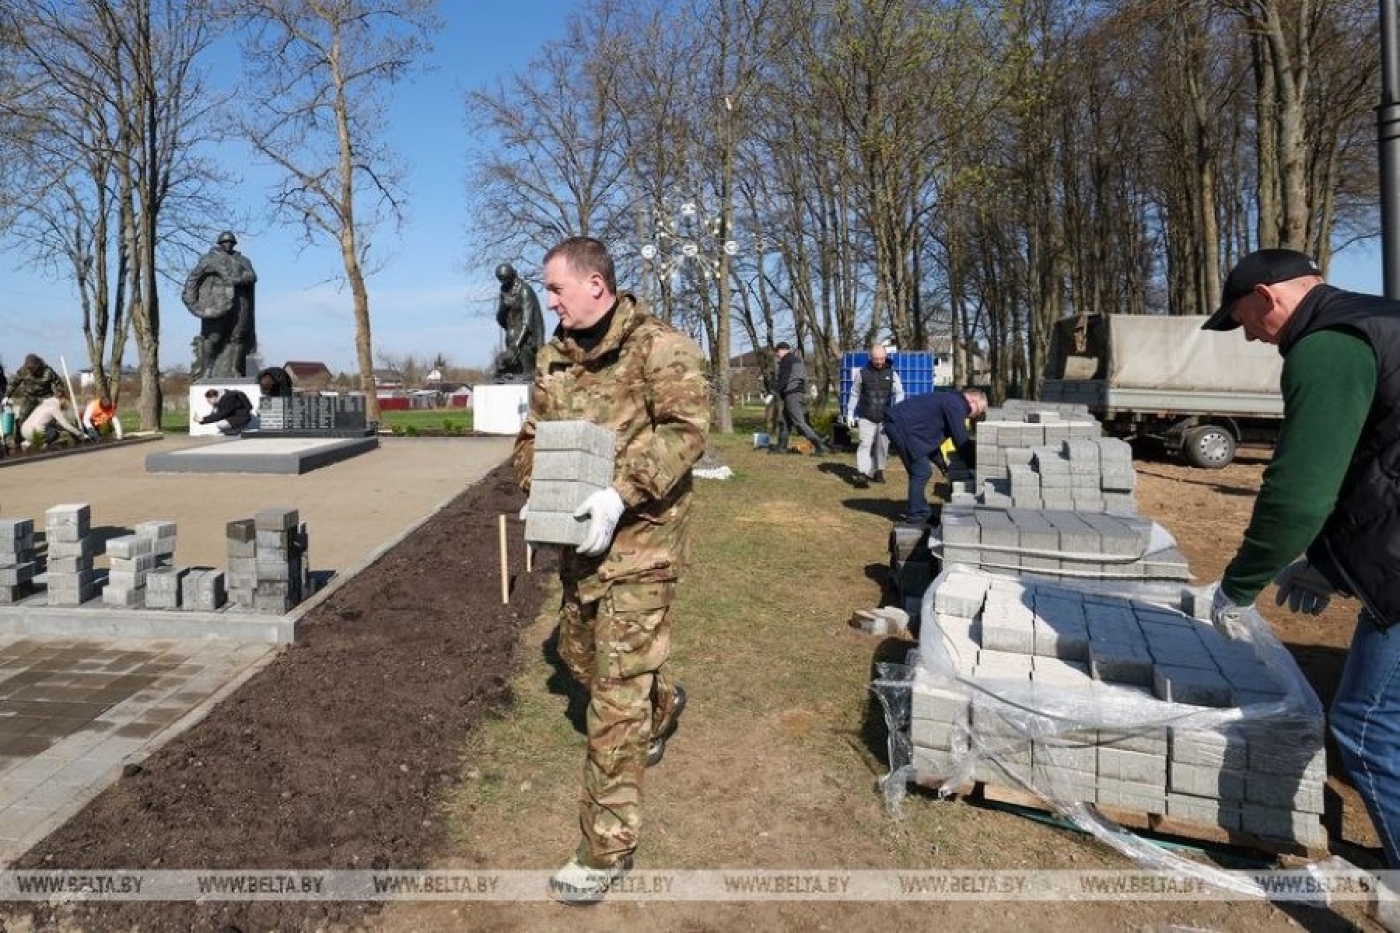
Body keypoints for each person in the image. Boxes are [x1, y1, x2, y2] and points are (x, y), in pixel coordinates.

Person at [511, 236, 709, 904]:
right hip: (580, 548)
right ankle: (664, 702)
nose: (549, 299)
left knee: (614, 703)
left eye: (556, 287)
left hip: (643, 545)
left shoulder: (661, 347)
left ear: (596, 285)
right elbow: (532, 436)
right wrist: (541, 491)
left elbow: (686, 430)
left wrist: (621, 491)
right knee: (577, 654)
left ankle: (604, 849)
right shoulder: (553, 357)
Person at [1203, 247, 1400, 874]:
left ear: (1267, 296)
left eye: (1244, 321)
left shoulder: (1328, 345)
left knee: (1366, 730)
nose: (1254, 338)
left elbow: (1300, 491)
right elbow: (1377, 462)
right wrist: (1327, 563)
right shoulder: (1380, 320)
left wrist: (1240, 584)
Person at [882, 387, 987, 525]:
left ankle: (922, 512)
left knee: (920, 471)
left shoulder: (951, 401)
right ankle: (917, 516)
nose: (974, 416)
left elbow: (930, 441)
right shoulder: (955, 405)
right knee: (921, 471)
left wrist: (943, 466)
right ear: (973, 400)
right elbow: (961, 441)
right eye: (978, 411)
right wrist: (975, 466)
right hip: (900, 426)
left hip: (905, 427)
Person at [183, 230, 257, 380]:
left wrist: (240, 278)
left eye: (231, 242)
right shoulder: (209, 259)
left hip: (240, 303)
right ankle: (208, 368)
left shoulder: (243, 260)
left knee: (237, 336)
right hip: (217, 303)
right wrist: (194, 303)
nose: (228, 245)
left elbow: (252, 276)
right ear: (220, 244)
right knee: (214, 337)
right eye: (225, 242)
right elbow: (194, 279)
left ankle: (234, 369)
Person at [844, 344, 905, 488]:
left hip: (885, 417)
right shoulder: (862, 373)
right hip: (866, 416)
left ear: (885, 357)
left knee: (882, 446)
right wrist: (850, 413)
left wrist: (896, 410)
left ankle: (879, 471)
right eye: (876, 359)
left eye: (882, 358)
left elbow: (900, 393)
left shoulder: (892, 373)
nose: (879, 361)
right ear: (870, 358)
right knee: (865, 444)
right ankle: (863, 474)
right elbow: (854, 393)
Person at [769, 341, 829, 456]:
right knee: (785, 421)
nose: (777, 355)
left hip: (792, 395)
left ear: (782, 350)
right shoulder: (796, 360)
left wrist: (774, 390)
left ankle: (820, 446)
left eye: (777, 352)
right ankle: (781, 447)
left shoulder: (786, 360)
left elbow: (784, 379)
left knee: (799, 422)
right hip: (795, 393)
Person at [493, 262, 546, 381]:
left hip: (525, 338)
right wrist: (503, 307)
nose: (503, 282)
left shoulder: (525, 290)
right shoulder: (504, 290)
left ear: (512, 275)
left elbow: (528, 321)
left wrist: (517, 345)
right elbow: (500, 319)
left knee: (524, 375)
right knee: (509, 371)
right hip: (510, 336)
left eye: (505, 278)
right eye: (500, 279)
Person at [9, 354, 65, 426]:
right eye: (29, 367)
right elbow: (14, 383)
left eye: (33, 367)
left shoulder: (48, 371)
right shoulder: (23, 371)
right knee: (22, 416)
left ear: (38, 365)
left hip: (45, 396)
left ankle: (50, 433)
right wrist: (7, 396)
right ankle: (19, 435)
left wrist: (59, 395)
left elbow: (58, 383)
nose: (31, 369)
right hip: (30, 397)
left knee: (49, 417)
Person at [19, 396, 85, 449]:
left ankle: (26, 443)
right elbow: (65, 425)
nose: (66, 407)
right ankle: (44, 446)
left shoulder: (44, 404)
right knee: (55, 434)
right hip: (34, 431)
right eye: (67, 403)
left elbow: (51, 423)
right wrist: (79, 434)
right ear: (63, 400)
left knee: (46, 427)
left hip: (24, 430)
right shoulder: (54, 407)